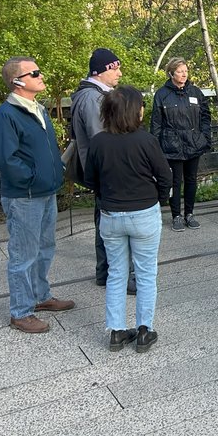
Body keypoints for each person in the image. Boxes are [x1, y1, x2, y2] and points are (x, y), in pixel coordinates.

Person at [84, 87, 172, 354]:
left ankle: (116, 331)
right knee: (146, 274)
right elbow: (165, 176)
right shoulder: (146, 141)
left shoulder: (98, 141)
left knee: (116, 273)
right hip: (143, 213)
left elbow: (90, 180)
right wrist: (156, 198)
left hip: (111, 215)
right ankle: (145, 329)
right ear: (136, 111)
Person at [0, 57, 73, 333]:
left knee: (45, 248)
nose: (41, 76)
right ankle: (21, 312)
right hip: (24, 196)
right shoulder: (6, 115)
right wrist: (33, 178)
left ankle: (40, 297)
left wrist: (55, 172)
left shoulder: (37, 109)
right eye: (34, 72)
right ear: (17, 81)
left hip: (45, 192)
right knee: (23, 255)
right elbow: (6, 159)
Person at [70, 48, 134, 293]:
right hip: (106, 170)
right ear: (101, 71)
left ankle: (106, 272)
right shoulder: (91, 98)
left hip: (102, 168)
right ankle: (111, 274)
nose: (119, 72)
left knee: (105, 221)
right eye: (114, 68)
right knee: (110, 224)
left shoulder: (95, 95)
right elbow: (101, 139)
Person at [150, 57, 211, 232]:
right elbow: (156, 123)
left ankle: (190, 213)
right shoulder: (162, 94)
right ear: (171, 73)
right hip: (171, 144)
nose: (184, 74)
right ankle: (176, 215)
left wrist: (204, 137)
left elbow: (205, 116)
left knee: (191, 179)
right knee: (175, 181)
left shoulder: (195, 92)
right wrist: (156, 147)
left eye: (186, 71)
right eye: (180, 71)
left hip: (193, 142)